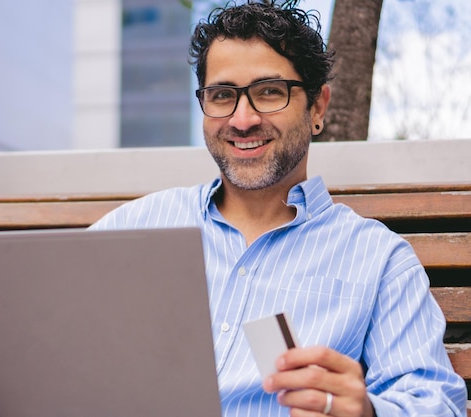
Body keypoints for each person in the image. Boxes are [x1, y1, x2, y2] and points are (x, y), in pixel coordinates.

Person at [89, 1, 468, 415]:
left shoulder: (379, 261)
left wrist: (369, 412)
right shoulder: (133, 227)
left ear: (317, 107)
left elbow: (437, 405)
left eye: (270, 91)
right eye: (222, 95)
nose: (243, 118)